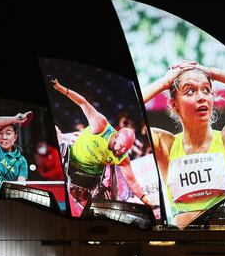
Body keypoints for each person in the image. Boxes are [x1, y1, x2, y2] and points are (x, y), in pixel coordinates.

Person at [141, 61, 225, 223]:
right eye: (190, 91)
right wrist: (165, 83)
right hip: (183, 244)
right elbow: (127, 113)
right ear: (174, 105)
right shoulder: (165, 145)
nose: (201, 97)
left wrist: (211, 72)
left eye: (206, 90)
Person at [47, 76, 155, 212]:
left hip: (92, 176)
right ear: (115, 135)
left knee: (110, 179)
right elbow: (82, 102)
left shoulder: (122, 157)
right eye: (121, 146)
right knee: (60, 138)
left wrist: (145, 199)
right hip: (73, 158)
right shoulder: (101, 124)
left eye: (125, 150)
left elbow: (132, 181)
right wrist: (60, 88)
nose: (121, 151)